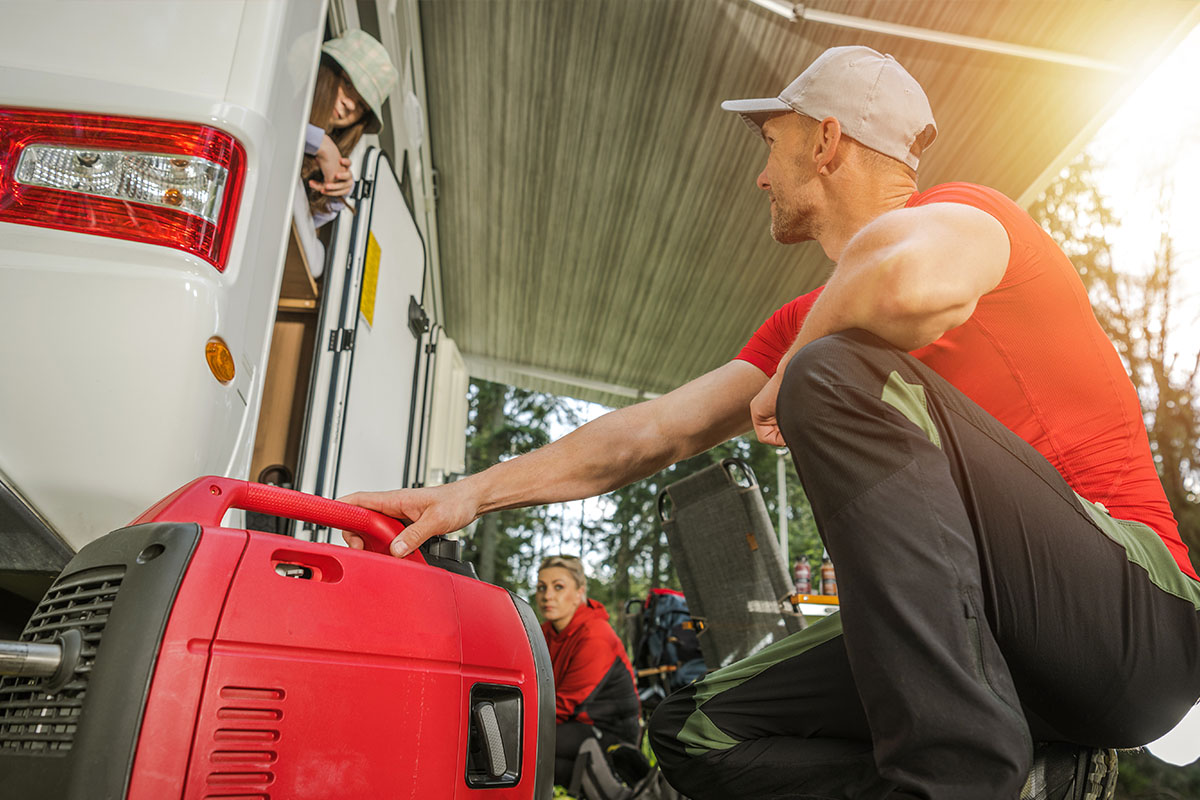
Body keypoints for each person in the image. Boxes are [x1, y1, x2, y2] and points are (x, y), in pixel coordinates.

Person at [341, 45, 1200, 800]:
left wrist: (806, 361)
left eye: (772, 143)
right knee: (694, 730)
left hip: (1130, 613)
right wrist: (471, 494)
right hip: (1003, 656)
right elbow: (651, 432)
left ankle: (960, 777)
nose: (760, 174)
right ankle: (1029, 778)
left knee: (831, 374)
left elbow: (907, 283)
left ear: (826, 140)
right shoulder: (804, 327)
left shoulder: (973, 217)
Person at [535, 555, 640, 787]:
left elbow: (565, 705)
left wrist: (514, 720)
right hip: (569, 722)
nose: (547, 596)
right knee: (521, 749)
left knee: (528, 746)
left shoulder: (596, 635)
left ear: (580, 592)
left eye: (558, 587)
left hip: (608, 733)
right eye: (541, 587)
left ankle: (614, 780)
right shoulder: (542, 633)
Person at [302, 30, 399, 228]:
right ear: (327, 69)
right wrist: (321, 144)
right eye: (347, 84)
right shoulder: (285, 90)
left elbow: (302, 231)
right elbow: (275, 125)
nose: (351, 105)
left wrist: (336, 197)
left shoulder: (326, 163)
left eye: (362, 105)